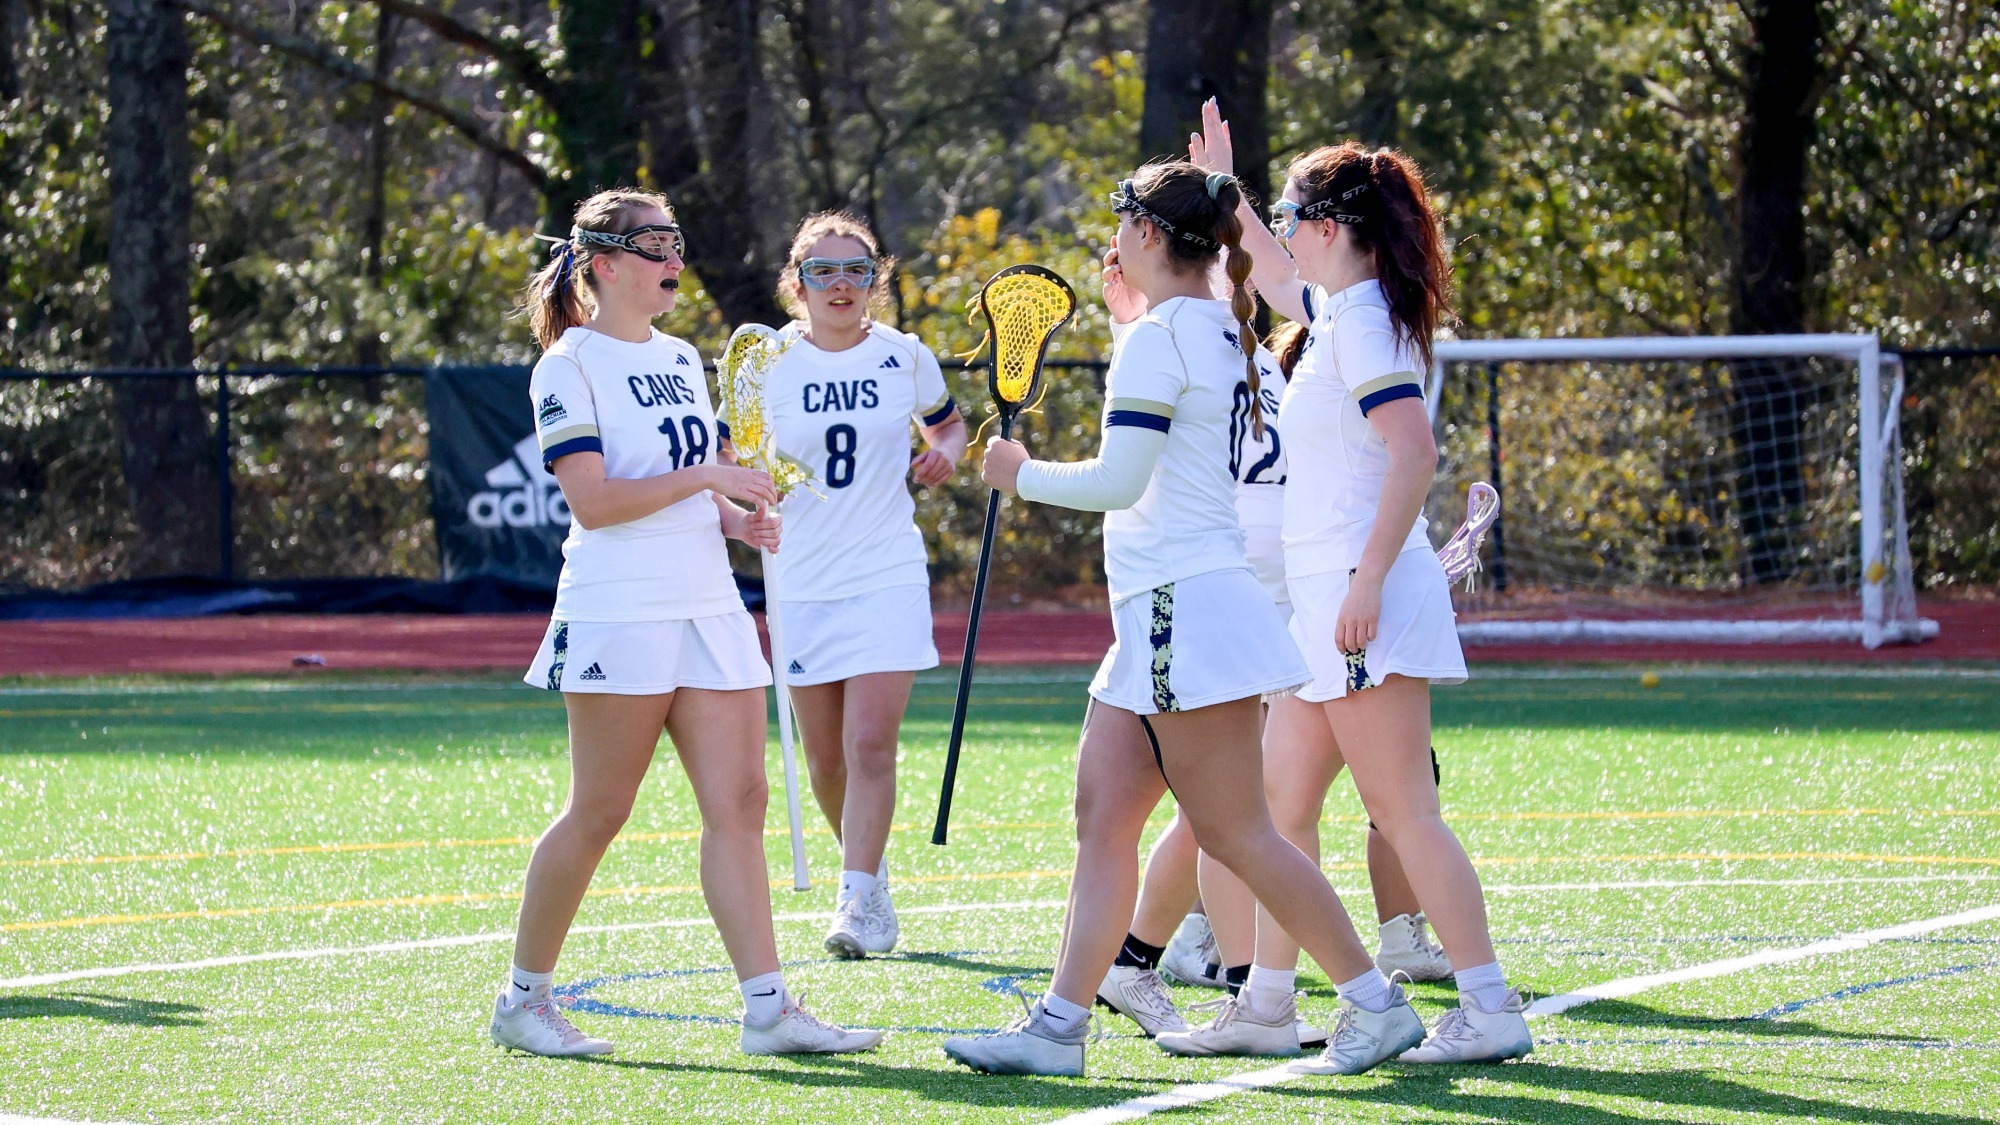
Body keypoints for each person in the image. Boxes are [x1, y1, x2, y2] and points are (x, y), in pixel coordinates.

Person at [941, 162, 1428, 1078]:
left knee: (1240, 832)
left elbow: (1121, 481)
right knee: (1104, 816)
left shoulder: (1169, 336)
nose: (1112, 240)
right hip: (1168, 616)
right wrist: (1134, 323)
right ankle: (1057, 1026)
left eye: (1122, 224)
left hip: (1179, 613)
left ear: (1149, 236)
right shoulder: (1205, 325)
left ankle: (1374, 1001)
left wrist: (1020, 474)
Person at [1174, 99, 1531, 1064]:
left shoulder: (1365, 324)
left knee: (1407, 812)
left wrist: (1368, 583)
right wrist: (1231, 193)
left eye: (1292, 219)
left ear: (1332, 229)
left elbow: (1414, 453)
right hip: (1332, 606)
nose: (1281, 239)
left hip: (1358, 601)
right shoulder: (1346, 310)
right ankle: (1268, 1003)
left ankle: (1490, 1007)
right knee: (1279, 812)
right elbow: (1284, 278)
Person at [490, 188, 881, 1059]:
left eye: (676, 241)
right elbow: (593, 502)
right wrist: (710, 480)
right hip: (619, 607)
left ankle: (769, 1006)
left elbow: (694, 489)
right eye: (654, 244)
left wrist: (743, 520)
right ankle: (523, 998)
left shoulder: (680, 354)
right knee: (599, 809)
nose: (673, 258)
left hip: (708, 605)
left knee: (740, 803)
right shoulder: (568, 363)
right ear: (604, 262)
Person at [763, 212, 968, 958]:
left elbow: (947, 426)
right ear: (798, 283)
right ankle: (872, 875)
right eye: (823, 271)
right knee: (825, 760)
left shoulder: (905, 356)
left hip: (885, 571)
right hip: (803, 580)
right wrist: (749, 498)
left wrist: (944, 451)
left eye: (856, 270)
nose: (841, 284)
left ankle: (855, 901)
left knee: (870, 741)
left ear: (876, 278)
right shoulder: (769, 362)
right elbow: (732, 455)